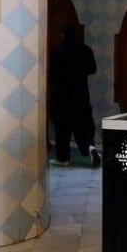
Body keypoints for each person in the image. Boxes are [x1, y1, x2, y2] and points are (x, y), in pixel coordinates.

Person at [49, 22, 100, 167]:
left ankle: (63, 158)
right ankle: (90, 147)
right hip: (81, 94)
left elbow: (52, 74)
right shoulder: (85, 50)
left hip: (62, 96)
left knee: (62, 128)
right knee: (83, 124)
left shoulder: (57, 52)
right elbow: (92, 69)